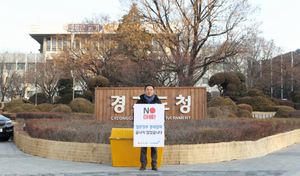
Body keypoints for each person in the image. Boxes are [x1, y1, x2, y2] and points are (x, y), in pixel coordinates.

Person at [135, 84, 162, 171]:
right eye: (147, 89)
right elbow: (136, 114)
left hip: (154, 128)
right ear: (144, 91)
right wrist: (134, 122)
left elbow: (162, 114)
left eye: (151, 89)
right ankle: (143, 164)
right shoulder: (139, 102)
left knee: (154, 147)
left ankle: (154, 164)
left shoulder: (158, 102)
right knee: (143, 147)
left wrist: (163, 122)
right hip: (143, 128)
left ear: (153, 91)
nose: (149, 91)